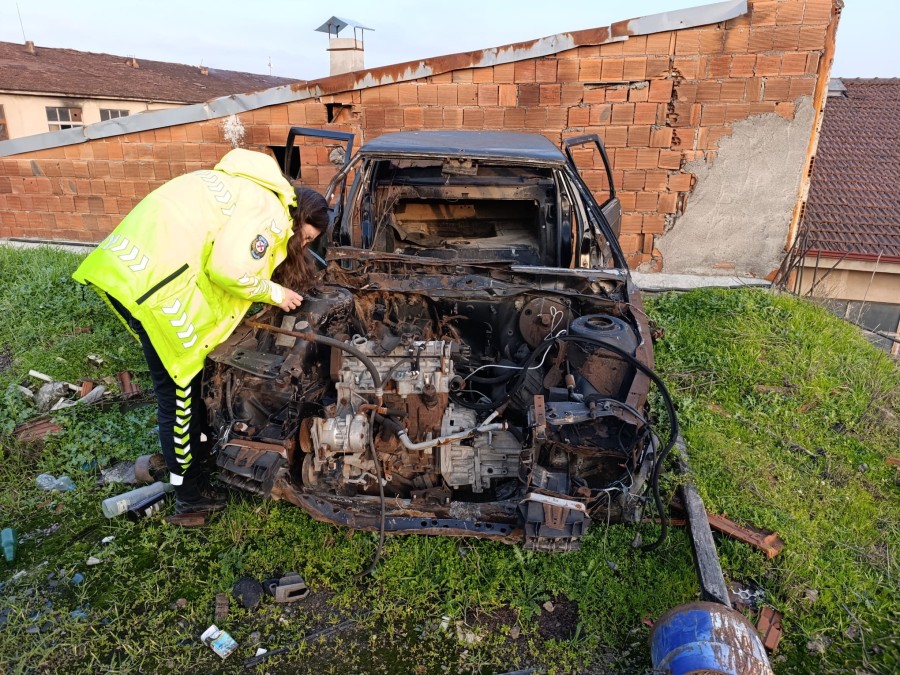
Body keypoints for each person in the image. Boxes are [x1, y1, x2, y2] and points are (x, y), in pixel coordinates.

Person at [73, 148, 328, 515]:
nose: (302, 246)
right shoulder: (271, 213)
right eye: (305, 238)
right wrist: (276, 292)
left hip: (130, 267)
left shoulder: (248, 187)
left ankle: (199, 455)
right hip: (154, 284)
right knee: (178, 393)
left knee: (190, 380)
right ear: (297, 217)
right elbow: (227, 269)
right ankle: (190, 498)